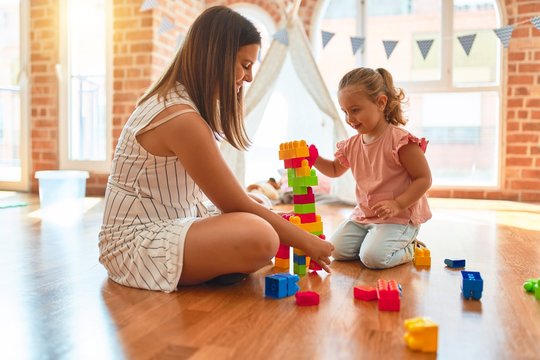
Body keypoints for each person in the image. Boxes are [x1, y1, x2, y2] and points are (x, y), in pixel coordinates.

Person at [98, 6, 333, 293]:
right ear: (217, 58)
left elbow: (234, 200)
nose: (248, 78)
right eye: (245, 65)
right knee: (261, 236)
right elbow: (235, 205)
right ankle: (216, 265)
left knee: (260, 204)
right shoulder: (180, 117)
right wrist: (308, 242)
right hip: (134, 244)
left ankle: (215, 264)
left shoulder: (184, 105)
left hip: (174, 218)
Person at [313, 67, 432, 269]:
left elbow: (424, 179)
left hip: (398, 217)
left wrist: (397, 204)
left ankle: (410, 247)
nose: (350, 119)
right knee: (336, 251)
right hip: (365, 216)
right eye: (345, 112)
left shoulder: (400, 141)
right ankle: (373, 241)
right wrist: (313, 158)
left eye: (355, 110)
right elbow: (334, 170)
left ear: (380, 102)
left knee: (373, 259)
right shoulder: (351, 144)